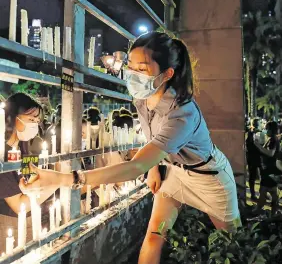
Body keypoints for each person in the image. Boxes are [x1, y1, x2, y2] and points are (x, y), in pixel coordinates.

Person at [20, 32, 241, 264]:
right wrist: (155, 167)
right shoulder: (142, 99)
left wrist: (62, 178)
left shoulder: (182, 113)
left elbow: (136, 166)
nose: (134, 75)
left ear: (167, 74)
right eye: (131, 67)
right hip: (174, 173)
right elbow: (152, 140)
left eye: (142, 69)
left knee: (231, 244)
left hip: (209, 176)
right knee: (155, 235)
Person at [0, 93, 59, 252]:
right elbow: (18, 204)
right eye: (31, 120)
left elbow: (31, 182)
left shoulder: (23, 148)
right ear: (12, 117)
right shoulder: (2, 154)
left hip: (29, 220)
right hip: (9, 225)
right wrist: (57, 181)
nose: (35, 125)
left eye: (37, 121)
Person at [254, 121, 281, 216]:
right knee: (272, 192)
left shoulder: (273, 140)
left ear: (271, 129)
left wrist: (258, 146)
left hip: (270, 170)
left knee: (263, 190)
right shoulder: (272, 139)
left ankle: (258, 210)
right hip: (269, 170)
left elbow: (270, 153)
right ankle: (273, 213)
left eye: (267, 128)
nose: (265, 130)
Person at [245, 118, 262, 200]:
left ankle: (259, 193)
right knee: (253, 177)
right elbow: (249, 145)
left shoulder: (253, 132)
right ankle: (253, 194)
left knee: (256, 176)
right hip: (253, 157)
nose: (257, 124)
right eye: (256, 123)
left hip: (255, 157)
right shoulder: (251, 133)